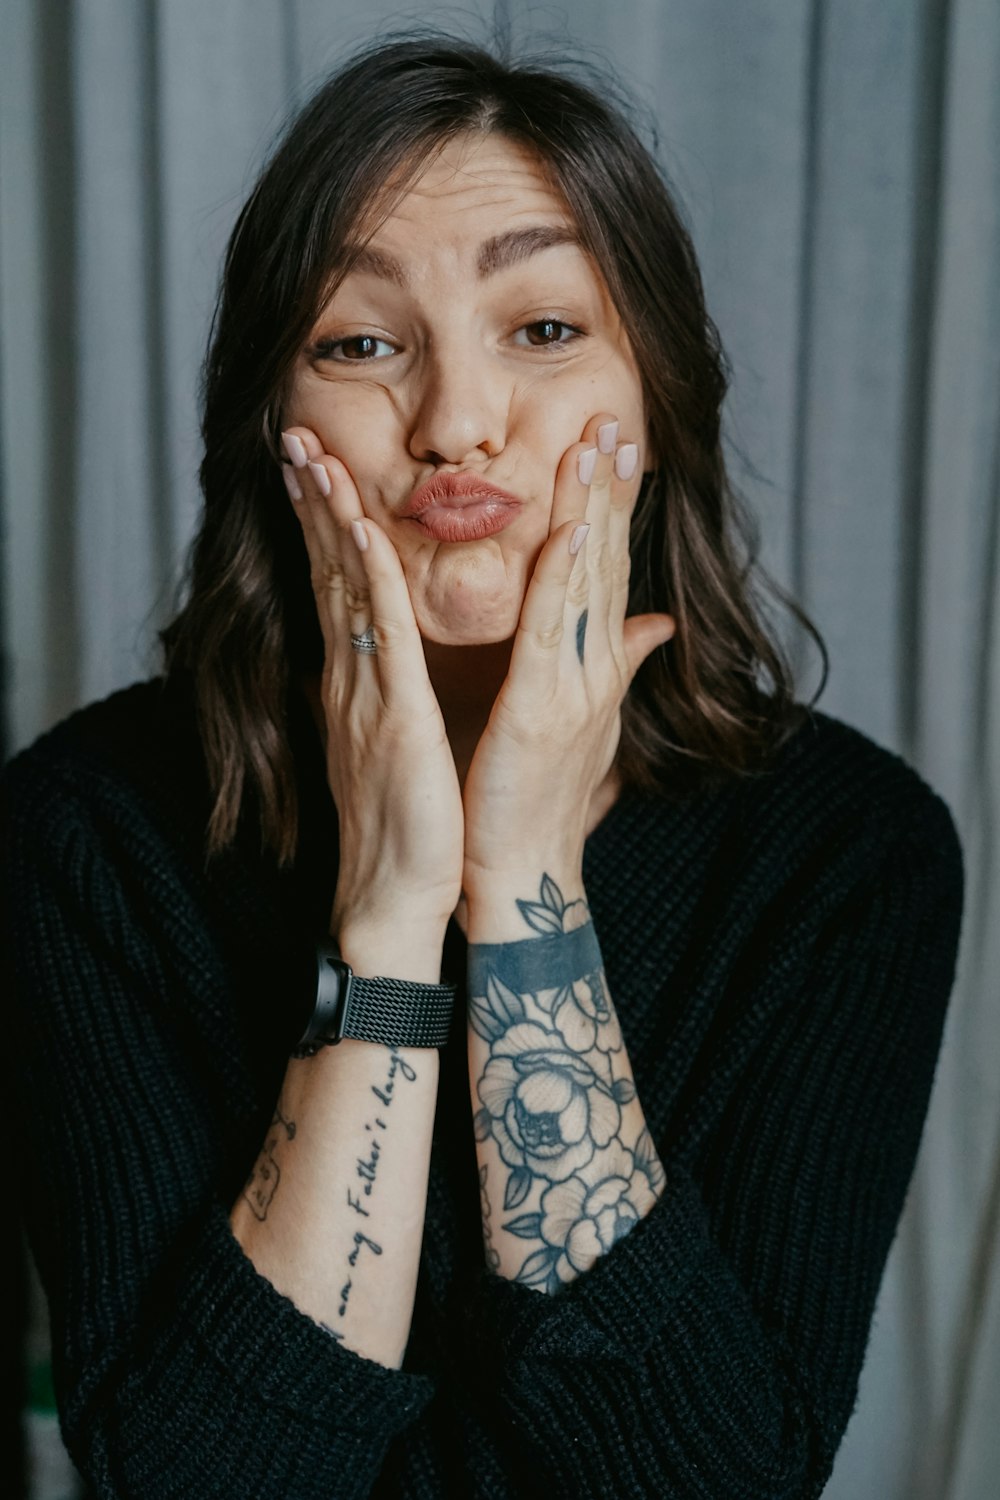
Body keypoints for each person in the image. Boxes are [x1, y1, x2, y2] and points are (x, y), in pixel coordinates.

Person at [3, 31, 964, 1500]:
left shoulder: (847, 852)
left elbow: (716, 1480)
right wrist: (390, 911)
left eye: (543, 329)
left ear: (656, 399)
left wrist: (522, 888)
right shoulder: (87, 833)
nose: (457, 424)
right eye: (362, 342)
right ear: (277, 425)